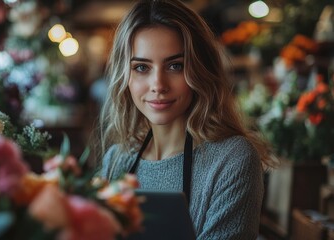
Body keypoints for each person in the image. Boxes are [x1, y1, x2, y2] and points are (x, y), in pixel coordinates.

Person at [94, 0, 277, 239]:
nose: (158, 85)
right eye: (141, 67)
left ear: (200, 70)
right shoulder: (117, 159)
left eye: (175, 66)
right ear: (124, 77)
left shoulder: (231, 160)